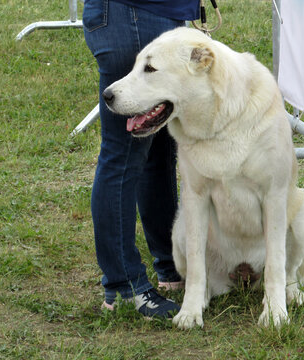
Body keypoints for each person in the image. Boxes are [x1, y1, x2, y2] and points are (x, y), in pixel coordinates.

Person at [82, 0, 200, 318]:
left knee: (159, 152)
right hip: (133, 15)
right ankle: (124, 288)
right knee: (123, 155)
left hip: (152, 14)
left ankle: (170, 266)